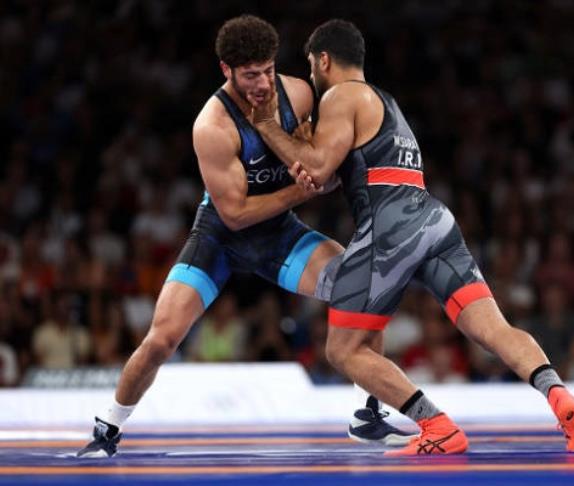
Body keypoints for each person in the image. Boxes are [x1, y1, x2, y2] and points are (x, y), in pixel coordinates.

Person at [249, 19, 574, 456]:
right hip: (433, 220)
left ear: (322, 60)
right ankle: (558, 394)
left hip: (390, 226)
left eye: (310, 66)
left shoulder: (342, 95)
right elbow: (329, 175)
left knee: (342, 350)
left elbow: (318, 169)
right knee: (493, 329)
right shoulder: (385, 102)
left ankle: (437, 426)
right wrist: (302, 147)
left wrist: (267, 127)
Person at [77, 15, 413, 458]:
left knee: (363, 285)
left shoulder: (298, 93)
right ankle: (108, 427)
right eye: (251, 75)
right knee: (162, 338)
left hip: (277, 235)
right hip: (219, 238)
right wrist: (303, 189)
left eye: (268, 70)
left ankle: (366, 414)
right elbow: (235, 215)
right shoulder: (212, 127)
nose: (263, 84)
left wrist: (321, 170)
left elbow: (324, 161)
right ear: (227, 70)